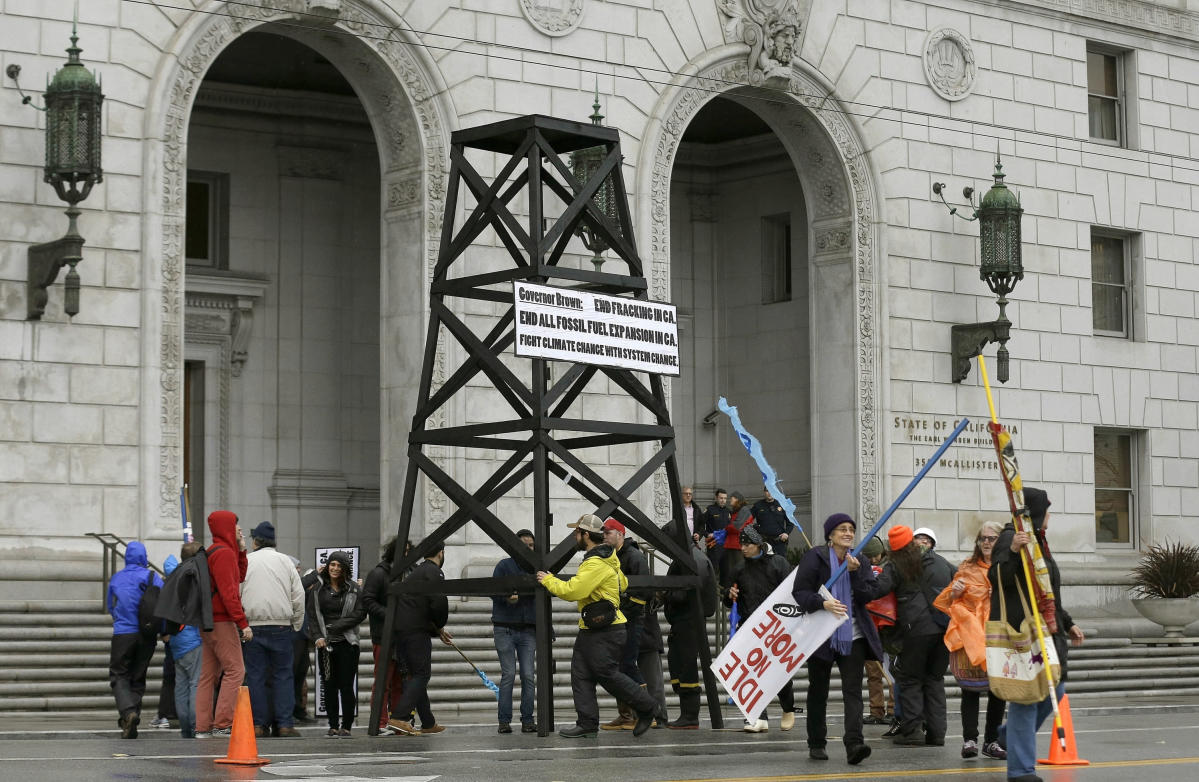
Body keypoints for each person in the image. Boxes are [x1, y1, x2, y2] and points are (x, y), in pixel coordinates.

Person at [536, 514, 659, 738]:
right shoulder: (608, 558)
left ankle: (647, 706)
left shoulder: (595, 563)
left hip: (605, 630)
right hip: (593, 628)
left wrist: (548, 580)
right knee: (580, 673)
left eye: (577, 533)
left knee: (607, 673)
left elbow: (574, 591)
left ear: (586, 535)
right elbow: (623, 582)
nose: (575, 536)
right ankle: (587, 723)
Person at [991, 488, 1085, 782]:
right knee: (1026, 699)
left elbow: (1048, 591)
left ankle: (1009, 735)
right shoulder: (1011, 538)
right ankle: (1021, 771)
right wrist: (1014, 552)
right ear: (1035, 512)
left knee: (1054, 691)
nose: (1050, 516)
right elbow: (997, 578)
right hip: (1024, 633)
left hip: (1048, 630)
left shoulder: (1040, 541)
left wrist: (1067, 622)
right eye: (1047, 510)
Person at [791, 513, 881, 765]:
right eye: (842, 529)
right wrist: (823, 603)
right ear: (830, 535)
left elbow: (868, 595)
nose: (848, 533)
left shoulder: (859, 560)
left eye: (851, 529)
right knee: (818, 690)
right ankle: (817, 742)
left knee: (853, 691)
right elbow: (800, 593)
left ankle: (854, 744)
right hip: (821, 636)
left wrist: (853, 574)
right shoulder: (816, 557)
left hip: (852, 636)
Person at [873, 525, 954, 747]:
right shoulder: (941, 562)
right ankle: (937, 734)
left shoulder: (897, 564)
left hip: (915, 630)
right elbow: (960, 581)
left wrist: (857, 575)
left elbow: (877, 589)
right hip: (943, 629)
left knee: (910, 680)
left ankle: (912, 732)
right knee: (935, 680)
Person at [935, 520, 1007, 760]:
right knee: (970, 689)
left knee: (998, 691)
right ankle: (969, 740)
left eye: (991, 538)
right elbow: (948, 602)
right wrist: (955, 593)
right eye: (982, 539)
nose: (986, 542)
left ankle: (992, 741)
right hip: (972, 636)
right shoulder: (967, 567)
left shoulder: (1007, 567)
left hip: (998, 633)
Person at [724, 525, 797, 732]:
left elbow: (791, 593)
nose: (743, 548)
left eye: (746, 545)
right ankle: (758, 716)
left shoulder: (779, 564)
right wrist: (730, 596)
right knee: (752, 674)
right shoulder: (739, 569)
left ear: (757, 545)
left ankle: (788, 708)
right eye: (741, 545)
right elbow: (728, 602)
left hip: (776, 626)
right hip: (749, 627)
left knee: (779, 672)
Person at [240, 521, 305, 738]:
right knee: (283, 675)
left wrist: (241, 623)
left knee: (256, 676)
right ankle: (285, 724)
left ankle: (259, 724)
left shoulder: (247, 561)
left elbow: (237, 592)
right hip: (280, 625)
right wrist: (296, 622)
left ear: (256, 541)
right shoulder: (285, 561)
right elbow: (298, 595)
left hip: (253, 626)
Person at [386, 541, 451, 737]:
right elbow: (438, 602)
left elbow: (419, 605)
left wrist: (438, 630)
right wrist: (439, 624)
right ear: (441, 553)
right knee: (422, 675)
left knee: (415, 676)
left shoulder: (418, 571)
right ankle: (400, 716)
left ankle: (428, 722)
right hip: (416, 631)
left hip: (403, 629)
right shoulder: (433, 572)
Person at [194, 510, 250, 738]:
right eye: (235, 525)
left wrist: (242, 549)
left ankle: (203, 726)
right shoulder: (224, 554)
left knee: (208, 675)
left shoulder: (213, 551)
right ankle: (223, 723)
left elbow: (239, 576)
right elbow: (230, 593)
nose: (239, 529)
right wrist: (243, 623)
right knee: (236, 670)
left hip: (207, 621)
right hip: (222, 621)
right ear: (226, 527)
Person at [599, 518, 659, 730]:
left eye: (608, 532)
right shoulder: (611, 556)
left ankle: (646, 712)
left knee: (628, 664)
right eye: (603, 533)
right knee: (620, 667)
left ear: (620, 534)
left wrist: (621, 608)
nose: (604, 536)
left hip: (632, 619)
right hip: (620, 619)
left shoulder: (634, 557)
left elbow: (644, 592)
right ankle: (626, 716)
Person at [663, 526, 719, 729]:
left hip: (689, 621)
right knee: (678, 663)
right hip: (683, 621)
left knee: (686, 666)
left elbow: (689, 591)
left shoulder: (693, 559)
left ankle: (690, 715)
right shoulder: (688, 556)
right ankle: (687, 713)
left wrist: (666, 594)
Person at [107, 540, 163, 739]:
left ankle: (128, 712)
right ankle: (131, 721)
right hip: (146, 635)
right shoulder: (152, 577)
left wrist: (120, 620)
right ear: (144, 557)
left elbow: (110, 606)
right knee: (138, 677)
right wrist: (162, 630)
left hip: (123, 633)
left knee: (119, 674)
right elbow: (161, 606)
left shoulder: (116, 579)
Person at [308, 550, 367, 737]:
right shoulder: (318, 588)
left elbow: (359, 613)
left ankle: (347, 726)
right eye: (332, 564)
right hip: (325, 643)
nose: (335, 568)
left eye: (339, 566)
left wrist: (337, 627)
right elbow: (312, 615)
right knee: (328, 685)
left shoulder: (354, 589)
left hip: (347, 643)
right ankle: (333, 725)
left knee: (346, 685)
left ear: (344, 569)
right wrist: (318, 636)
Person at [490, 529, 538, 734]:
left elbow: (540, 600)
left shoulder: (536, 567)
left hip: (527, 629)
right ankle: (504, 720)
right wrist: (506, 599)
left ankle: (528, 719)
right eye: (524, 544)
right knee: (509, 674)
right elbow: (493, 590)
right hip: (505, 627)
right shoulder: (504, 565)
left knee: (528, 675)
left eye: (531, 545)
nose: (528, 548)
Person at [363, 537, 406, 733]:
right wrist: (390, 615)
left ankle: (397, 721)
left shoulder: (406, 573)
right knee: (383, 681)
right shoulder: (379, 574)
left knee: (399, 682)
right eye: (402, 550)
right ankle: (380, 721)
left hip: (402, 635)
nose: (406, 554)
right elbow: (368, 601)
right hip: (383, 635)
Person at [165, 544, 204, 738]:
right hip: (192, 638)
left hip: (175, 639)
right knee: (195, 683)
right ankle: (195, 724)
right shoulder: (190, 578)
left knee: (180, 685)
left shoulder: (172, 578)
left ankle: (185, 728)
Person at [860, 535, 894, 726]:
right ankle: (876, 711)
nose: (874, 560)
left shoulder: (891, 568)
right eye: (870, 556)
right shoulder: (862, 568)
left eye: (876, 555)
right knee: (873, 672)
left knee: (892, 673)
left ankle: (892, 709)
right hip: (870, 627)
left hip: (888, 628)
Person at [721, 491, 755, 587]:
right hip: (732, 545)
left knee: (737, 571)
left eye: (733, 497)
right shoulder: (736, 511)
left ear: (738, 500)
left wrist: (727, 528)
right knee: (731, 571)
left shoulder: (744, 510)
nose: (730, 499)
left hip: (737, 545)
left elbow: (737, 527)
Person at [751, 487, 793, 556]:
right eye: (767, 491)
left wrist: (786, 533)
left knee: (780, 564)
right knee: (765, 564)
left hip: (779, 542)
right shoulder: (758, 505)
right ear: (764, 492)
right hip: (764, 542)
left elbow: (790, 522)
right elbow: (747, 519)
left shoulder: (782, 504)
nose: (769, 493)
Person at [703, 489, 732, 581]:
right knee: (713, 572)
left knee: (726, 572)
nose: (723, 500)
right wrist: (707, 534)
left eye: (725, 498)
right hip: (714, 545)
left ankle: (724, 594)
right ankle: (713, 594)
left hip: (726, 546)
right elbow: (699, 525)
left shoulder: (728, 511)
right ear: (716, 498)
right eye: (721, 498)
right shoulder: (710, 510)